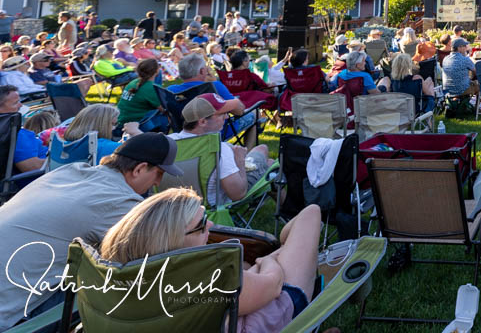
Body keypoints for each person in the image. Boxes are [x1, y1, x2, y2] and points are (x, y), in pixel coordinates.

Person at [0, 133, 181, 328]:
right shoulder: (118, 200)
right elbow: (161, 253)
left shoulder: (70, 171)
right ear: (139, 169)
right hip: (11, 315)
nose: (157, 183)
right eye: (159, 174)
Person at [101, 189, 324, 333]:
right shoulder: (202, 278)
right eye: (202, 223)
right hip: (270, 314)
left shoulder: (119, 274)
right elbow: (274, 284)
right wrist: (268, 260)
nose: (211, 226)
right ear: (172, 242)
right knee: (311, 214)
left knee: (253, 265)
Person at [169, 95, 270, 206]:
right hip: (211, 210)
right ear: (202, 122)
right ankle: (286, 213)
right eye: (222, 114)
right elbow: (238, 194)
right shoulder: (218, 149)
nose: (227, 117)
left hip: (173, 207)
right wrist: (240, 161)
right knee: (266, 155)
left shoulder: (168, 142)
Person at [2, 85, 47, 172]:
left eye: (19, 101)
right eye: (15, 103)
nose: (20, 105)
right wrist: (69, 161)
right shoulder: (14, 133)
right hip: (47, 179)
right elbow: (32, 167)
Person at [115, 57, 168, 131]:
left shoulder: (133, 82)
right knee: (165, 116)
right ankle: (161, 138)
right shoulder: (152, 88)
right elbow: (165, 110)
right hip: (131, 127)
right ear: (157, 71)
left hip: (119, 122)